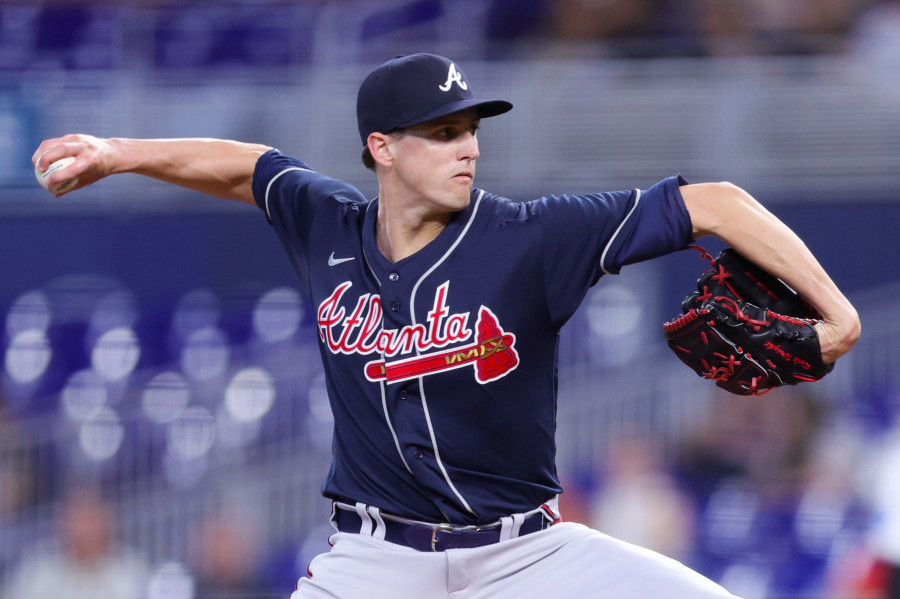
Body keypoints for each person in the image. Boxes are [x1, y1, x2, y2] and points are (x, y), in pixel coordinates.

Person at [32, 53, 860, 598]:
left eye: (470, 128)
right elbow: (247, 165)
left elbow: (718, 205)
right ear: (382, 148)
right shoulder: (327, 225)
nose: (467, 147)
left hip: (528, 555)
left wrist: (837, 312)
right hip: (374, 559)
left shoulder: (533, 235)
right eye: (441, 132)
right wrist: (119, 151)